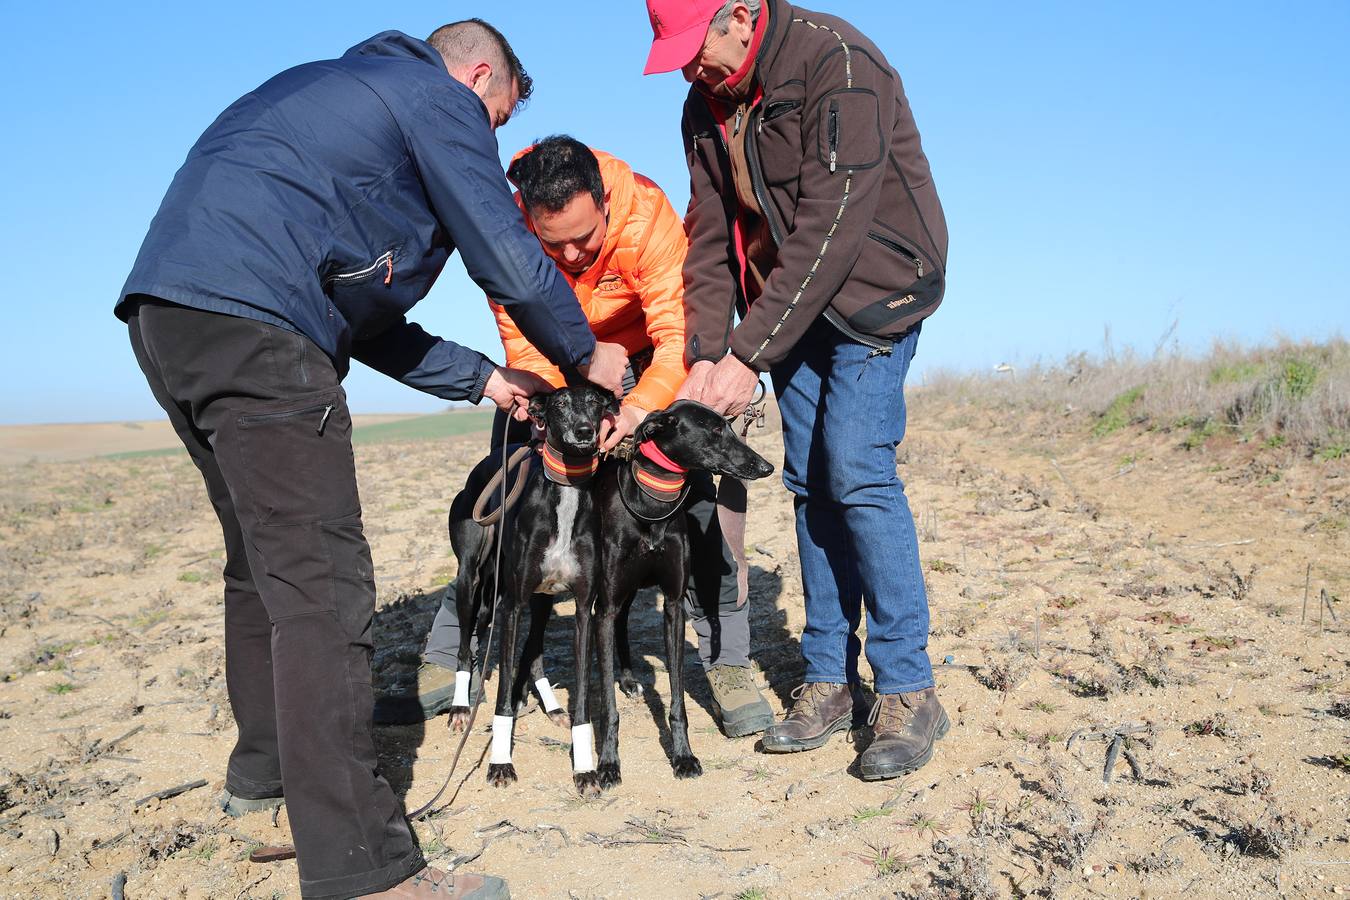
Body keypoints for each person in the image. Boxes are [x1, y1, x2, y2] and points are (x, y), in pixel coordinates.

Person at [116, 20, 627, 900]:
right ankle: (364, 870)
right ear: (478, 79)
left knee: (262, 566)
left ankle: (265, 773)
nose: (487, 138)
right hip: (259, 329)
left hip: (169, 317)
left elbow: (365, 318)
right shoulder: (436, 98)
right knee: (323, 587)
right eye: (497, 118)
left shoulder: (327, 98)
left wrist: (483, 381)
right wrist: (584, 355)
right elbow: (506, 253)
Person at [375, 136, 776, 738]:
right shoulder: (505, 232)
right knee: (507, 494)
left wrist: (637, 411)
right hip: (556, 372)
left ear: (606, 206)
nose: (569, 253)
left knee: (694, 504)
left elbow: (676, 337)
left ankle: (727, 658)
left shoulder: (647, 213)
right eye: (551, 241)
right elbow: (523, 343)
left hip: (642, 365)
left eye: (584, 239)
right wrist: (555, 411)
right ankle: (452, 648)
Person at [643, 0, 951, 780]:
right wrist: (709, 357)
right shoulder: (702, 107)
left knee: (855, 467)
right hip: (793, 309)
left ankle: (909, 688)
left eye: (697, 47)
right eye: (675, 54)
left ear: (742, 14)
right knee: (810, 480)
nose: (691, 67)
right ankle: (828, 679)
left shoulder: (839, 63)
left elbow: (832, 221)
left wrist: (748, 351)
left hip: (876, 289)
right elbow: (710, 240)